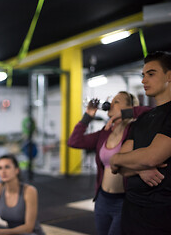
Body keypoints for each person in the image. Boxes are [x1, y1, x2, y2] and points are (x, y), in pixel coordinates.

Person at [67, 91, 159, 235]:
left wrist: (128, 113)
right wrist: (88, 115)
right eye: (112, 101)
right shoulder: (104, 133)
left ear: (129, 107)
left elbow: (152, 112)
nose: (111, 104)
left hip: (123, 202)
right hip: (102, 200)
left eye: (117, 101)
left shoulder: (134, 131)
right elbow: (74, 141)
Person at [110, 51, 171, 234]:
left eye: (151, 74)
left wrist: (120, 159)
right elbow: (118, 167)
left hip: (162, 215)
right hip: (132, 211)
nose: (144, 80)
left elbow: (151, 157)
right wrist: (137, 167)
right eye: (143, 75)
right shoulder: (144, 118)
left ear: (169, 75)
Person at [0, 154, 44, 235]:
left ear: (17, 170)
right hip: (10, 231)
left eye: (7, 167)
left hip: (29, 233)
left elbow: (29, 228)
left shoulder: (29, 191)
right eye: (0, 168)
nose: (3, 171)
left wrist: (2, 232)